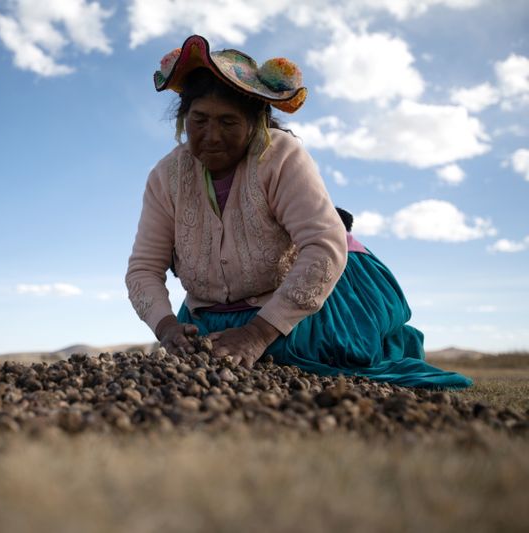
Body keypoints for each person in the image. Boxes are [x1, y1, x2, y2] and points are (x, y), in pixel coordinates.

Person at [126, 34, 471, 389]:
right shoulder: (166, 177)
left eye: (228, 122)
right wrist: (167, 328)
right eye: (199, 120)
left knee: (308, 355)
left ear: (256, 123)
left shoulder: (280, 156)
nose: (211, 136)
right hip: (212, 311)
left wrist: (258, 333)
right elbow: (143, 267)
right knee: (210, 362)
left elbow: (323, 246)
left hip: (314, 290)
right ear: (184, 118)